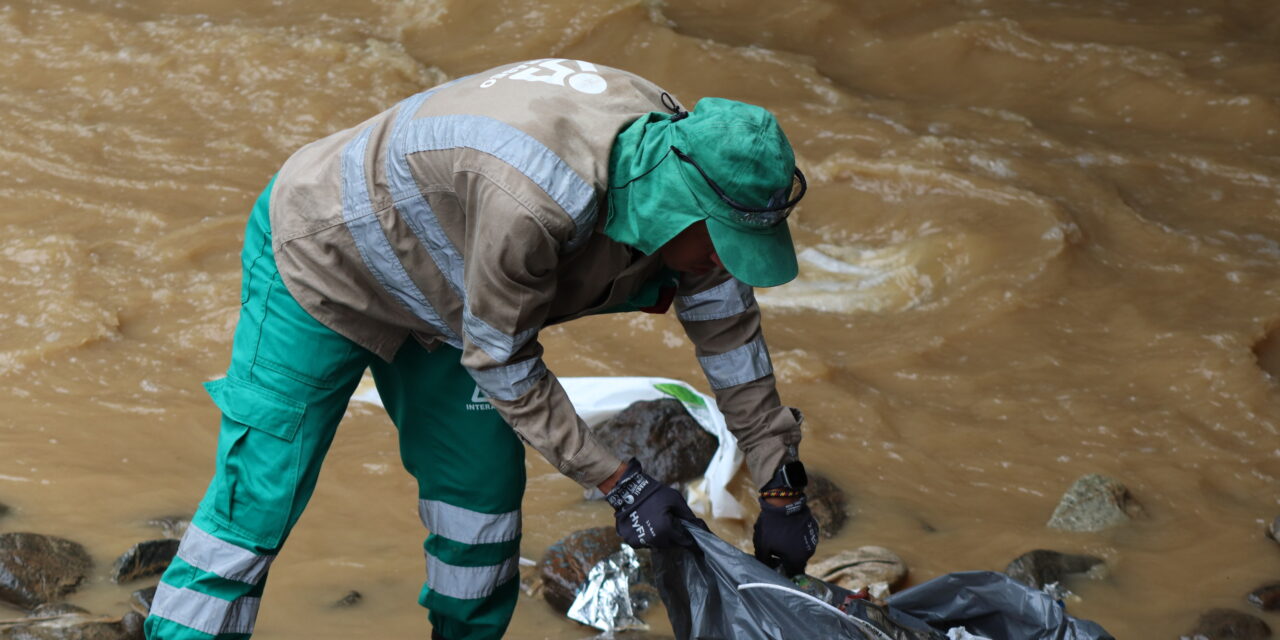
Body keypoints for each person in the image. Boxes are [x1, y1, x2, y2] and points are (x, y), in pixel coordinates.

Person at [144, 58, 819, 640]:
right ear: (680, 209)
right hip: (322, 257)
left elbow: (732, 341)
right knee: (259, 497)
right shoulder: (535, 202)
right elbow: (505, 361)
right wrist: (622, 483)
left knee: (481, 510)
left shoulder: (700, 167)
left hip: (450, 295)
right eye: (723, 246)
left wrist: (781, 484)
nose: (726, 263)